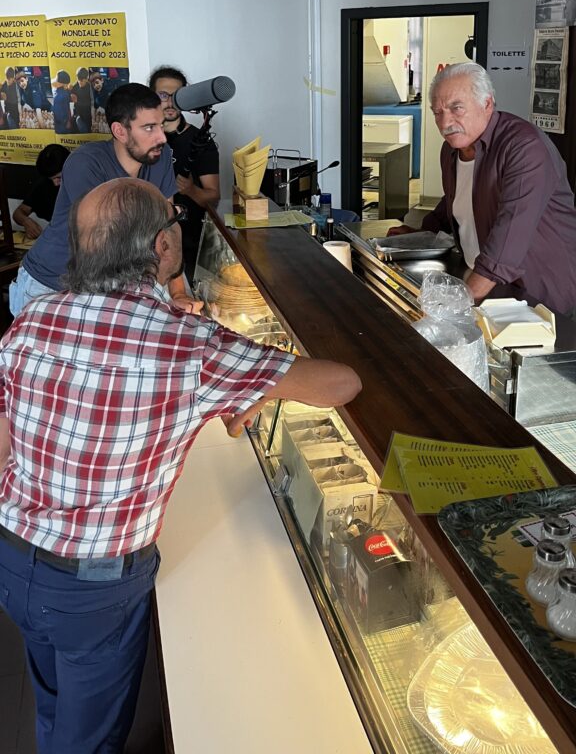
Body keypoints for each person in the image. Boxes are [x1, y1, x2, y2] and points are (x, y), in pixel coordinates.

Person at [0, 177, 361, 753]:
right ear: (162, 246)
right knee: (90, 737)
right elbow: (341, 384)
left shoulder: (34, 318)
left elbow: (7, 439)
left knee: (53, 698)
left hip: (14, 557)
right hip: (95, 585)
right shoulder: (188, 343)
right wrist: (260, 388)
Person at [389, 62, 576, 315]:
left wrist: (456, 305)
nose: (445, 122)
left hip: (538, 293)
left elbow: (509, 237)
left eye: (456, 108)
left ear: (487, 104)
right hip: (488, 284)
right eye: (437, 112)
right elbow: (457, 200)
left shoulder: (524, 148)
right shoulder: (452, 150)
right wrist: (420, 236)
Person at [9, 83, 197, 317]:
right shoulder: (85, 163)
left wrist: (178, 293)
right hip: (50, 284)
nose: (161, 137)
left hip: (106, 286)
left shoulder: (160, 155)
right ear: (120, 131)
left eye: (161, 125)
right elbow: (114, 244)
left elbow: (167, 227)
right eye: (149, 127)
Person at [149, 65, 220, 282]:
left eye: (177, 95)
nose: (170, 102)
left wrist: (190, 189)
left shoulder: (201, 141)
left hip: (189, 245)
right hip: (145, 243)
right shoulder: (141, 140)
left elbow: (213, 197)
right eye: (163, 95)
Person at [12, 144, 70, 239]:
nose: (55, 183)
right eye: (51, 179)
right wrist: (26, 221)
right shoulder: (44, 184)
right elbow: (18, 213)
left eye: (59, 177)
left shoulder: (82, 181)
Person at [71, 66, 94, 132]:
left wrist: (77, 101)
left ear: (86, 79)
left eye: (82, 81)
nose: (80, 83)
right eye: (78, 80)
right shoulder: (74, 87)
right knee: (79, 123)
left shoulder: (90, 87)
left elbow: (91, 103)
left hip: (88, 114)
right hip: (78, 113)